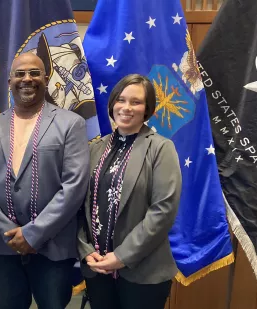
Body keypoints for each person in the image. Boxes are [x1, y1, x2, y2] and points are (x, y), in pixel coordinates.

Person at [0, 52, 90, 309]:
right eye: (20, 73)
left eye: (34, 73)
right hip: (7, 248)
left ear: (45, 79)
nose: (27, 79)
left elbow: (74, 186)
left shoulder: (71, 124)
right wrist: (10, 234)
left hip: (53, 247)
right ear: (10, 81)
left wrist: (33, 234)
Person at [77, 74, 182, 309]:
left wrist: (121, 257)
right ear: (112, 103)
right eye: (121, 100)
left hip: (142, 272)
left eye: (136, 102)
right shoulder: (95, 148)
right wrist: (85, 250)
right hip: (98, 269)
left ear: (147, 109)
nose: (126, 107)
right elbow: (79, 205)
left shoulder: (161, 149)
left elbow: (163, 211)